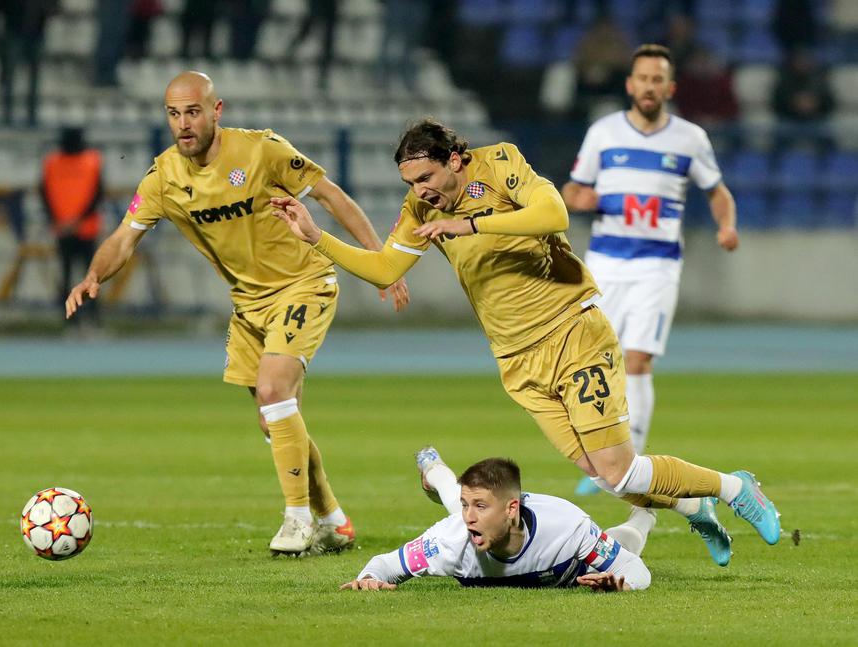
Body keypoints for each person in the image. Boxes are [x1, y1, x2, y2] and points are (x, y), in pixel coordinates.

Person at [271, 117, 781, 569]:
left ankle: (735, 488)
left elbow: (553, 212)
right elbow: (385, 267)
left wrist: (468, 223)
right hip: (516, 359)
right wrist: (318, 237)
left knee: (616, 468)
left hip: (571, 331)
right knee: (604, 475)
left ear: (454, 160)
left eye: (426, 178)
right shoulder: (421, 210)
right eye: (410, 183)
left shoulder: (500, 164)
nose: (420, 191)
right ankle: (692, 504)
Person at [65, 71, 410, 555]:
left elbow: (330, 194)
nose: (183, 124)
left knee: (273, 390)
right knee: (276, 418)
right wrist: (94, 276)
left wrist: (381, 261)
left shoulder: (261, 150)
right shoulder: (164, 176)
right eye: (173, 114)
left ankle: (297, 521)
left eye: (192, 112)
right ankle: (333, 518)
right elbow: (124, 237)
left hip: (303, 284)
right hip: (248, 305)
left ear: (216, 110)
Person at [561, 44, 739, 502]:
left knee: (638, 360)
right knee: (601, 361)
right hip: (604, 263)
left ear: (669, 88)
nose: (649, 86)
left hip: (657, 266)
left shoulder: (689, 138)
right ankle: (604, 459)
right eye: (642, 78)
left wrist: (727, 226)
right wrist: (586, 200)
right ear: (630, 84)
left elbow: (717, 191)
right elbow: (573, 190)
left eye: (658, 79)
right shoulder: (604, 133)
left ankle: (629, 461)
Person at [341, 451, 653, 592]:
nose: (469, 517)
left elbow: (634, 569)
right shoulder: (450, 540)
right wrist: (368, 578)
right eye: (468, 506)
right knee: (456, 504)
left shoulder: (568, 527)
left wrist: (621, 584)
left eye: (478, 506)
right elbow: (384, 565)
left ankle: (645, 513)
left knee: (626, 542)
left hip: (568, 551)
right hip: (493, 523)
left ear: (511, 508)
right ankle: (434, 468)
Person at [41, 126, 104, 327]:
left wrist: (61, 221)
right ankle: (77, 317)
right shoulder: (90, 160)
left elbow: (97, 194)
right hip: (78, 227)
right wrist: (72, 221)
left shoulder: (54, 162)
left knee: (83, 275)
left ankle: (84, 317)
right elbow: (98, 194)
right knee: (80, 275)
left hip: (74, 228)